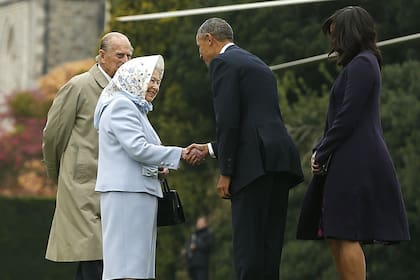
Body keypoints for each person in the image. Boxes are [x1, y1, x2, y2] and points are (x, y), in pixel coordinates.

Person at [296, 6, 410, 280]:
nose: (332, 42)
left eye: (335, 34)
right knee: (335, 233)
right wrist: (320, 149)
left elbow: (348, 116)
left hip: (356, 159)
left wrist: (321, 151)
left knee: (346, 232)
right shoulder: (359, 64)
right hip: (345, 157)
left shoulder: (363, 63)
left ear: (350, 33)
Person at [188, 18, 304, 280]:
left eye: (200, 48)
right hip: (279, 161)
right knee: (269, 248)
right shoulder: (257, 63)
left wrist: (226, 171)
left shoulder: (222, 63)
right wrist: (210, 148)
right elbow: (253, 123)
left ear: (210, 39)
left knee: (248, 249)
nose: (200, 55)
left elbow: (228, 121)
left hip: (253, 167)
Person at [42, 32, 133, 279]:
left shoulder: (128, 93)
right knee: (96, 259)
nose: (125, 61)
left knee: (103, 262)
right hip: (83, 188)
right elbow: (53, 137)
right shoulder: (78, 86)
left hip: (115, 188)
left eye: (129, 56)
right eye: (119, 55)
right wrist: (59, 175)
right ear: (101, 56)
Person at [93, 55, 190, 280]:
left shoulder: (136, 108)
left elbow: (134, 153)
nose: (155, 86)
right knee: (128, 266)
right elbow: (138, 148)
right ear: (134, 78)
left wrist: (158, 167)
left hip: (136, 193)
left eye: (157, 81)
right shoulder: (121, 106)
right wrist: (180, 154)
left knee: (136, 266)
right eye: (150, 80)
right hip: (127, 195)